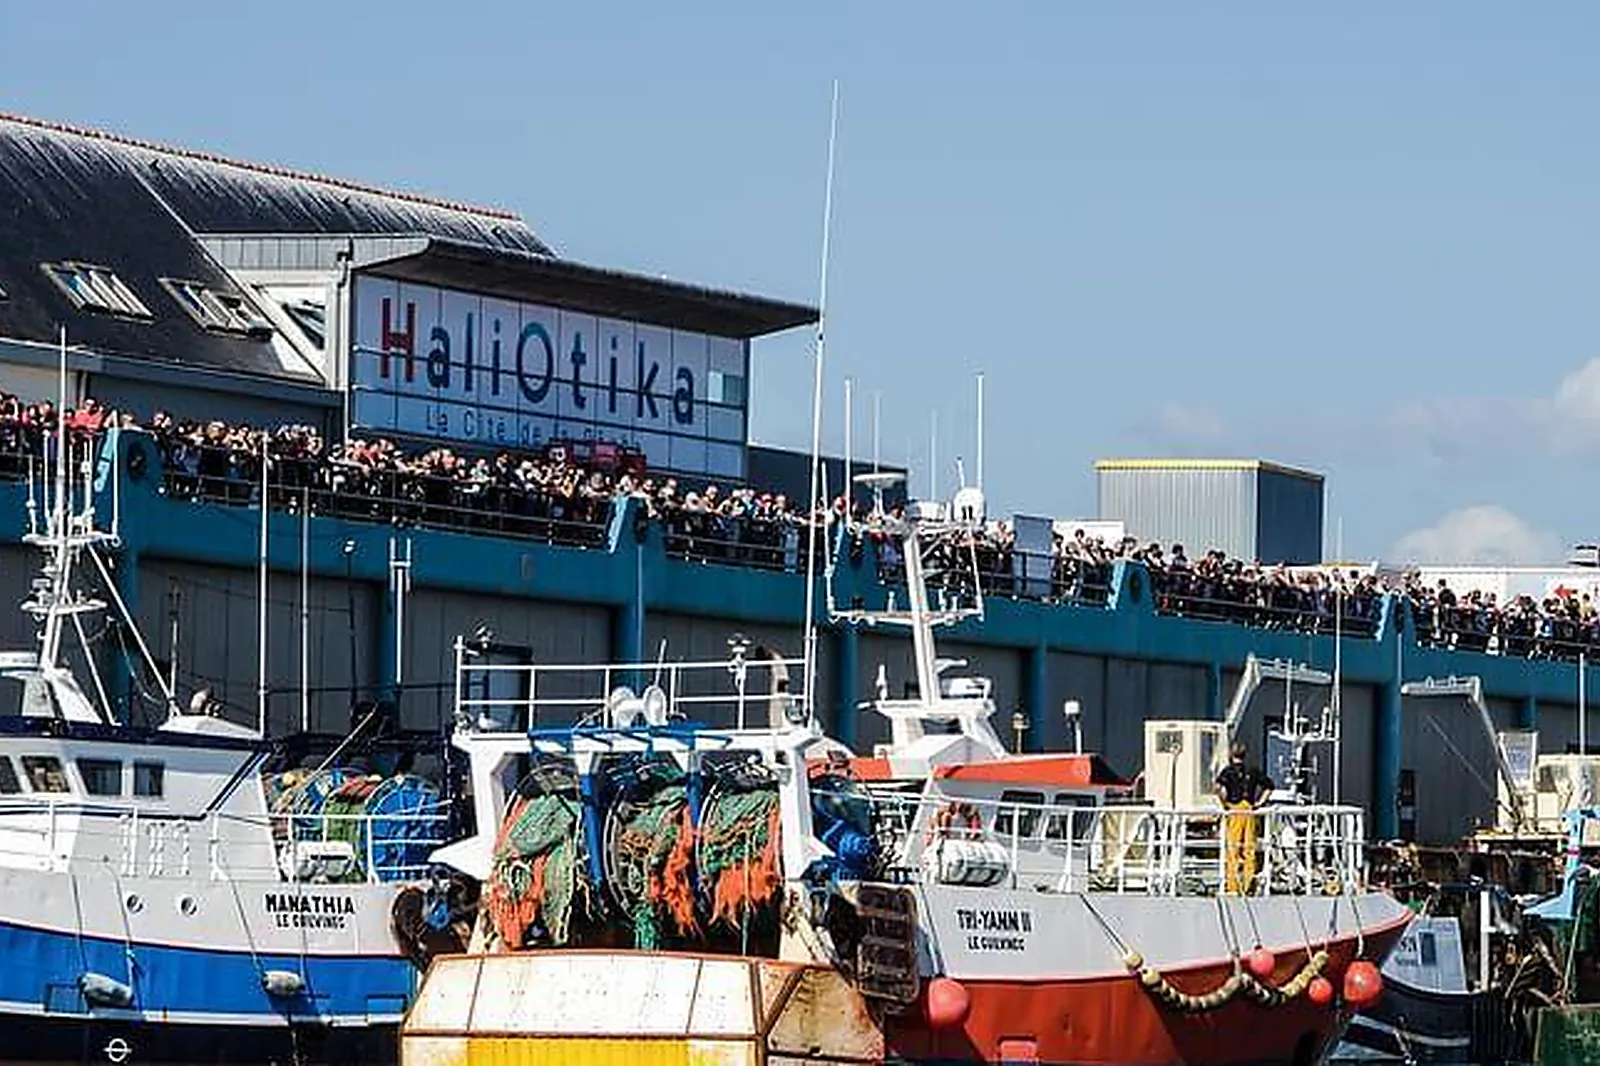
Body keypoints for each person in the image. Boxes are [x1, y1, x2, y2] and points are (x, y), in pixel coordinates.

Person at [1215, 743, 1273, 894]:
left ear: (1231, 755)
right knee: (1249, 849)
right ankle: (1248, 886)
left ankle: (1232, 886)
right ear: (1244, 755)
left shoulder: (1227, 772)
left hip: (1234, 810)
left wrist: (1224, 803)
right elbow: (1269, 786)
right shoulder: (1252, 770)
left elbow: (1218, 788)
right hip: (1249, 810)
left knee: (1233, 849)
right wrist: (1259, 803)